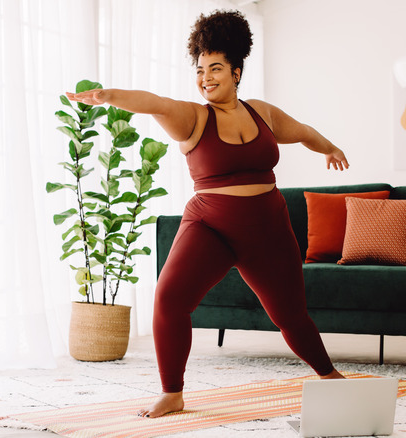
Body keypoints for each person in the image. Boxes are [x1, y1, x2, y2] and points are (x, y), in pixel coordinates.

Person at [67, 9, 347, 418]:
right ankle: (172, 392)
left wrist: (330, 148)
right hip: (210, 225)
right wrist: (110, 97)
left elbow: (301, 130)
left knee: (290, 315)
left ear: (236, 71)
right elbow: (155, 103)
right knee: (168, 298)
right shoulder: (194, 117)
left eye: (215, 68)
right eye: (199, 69)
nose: (206, 77)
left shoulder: (262, 113)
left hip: (268, 226)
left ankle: (327, 375)